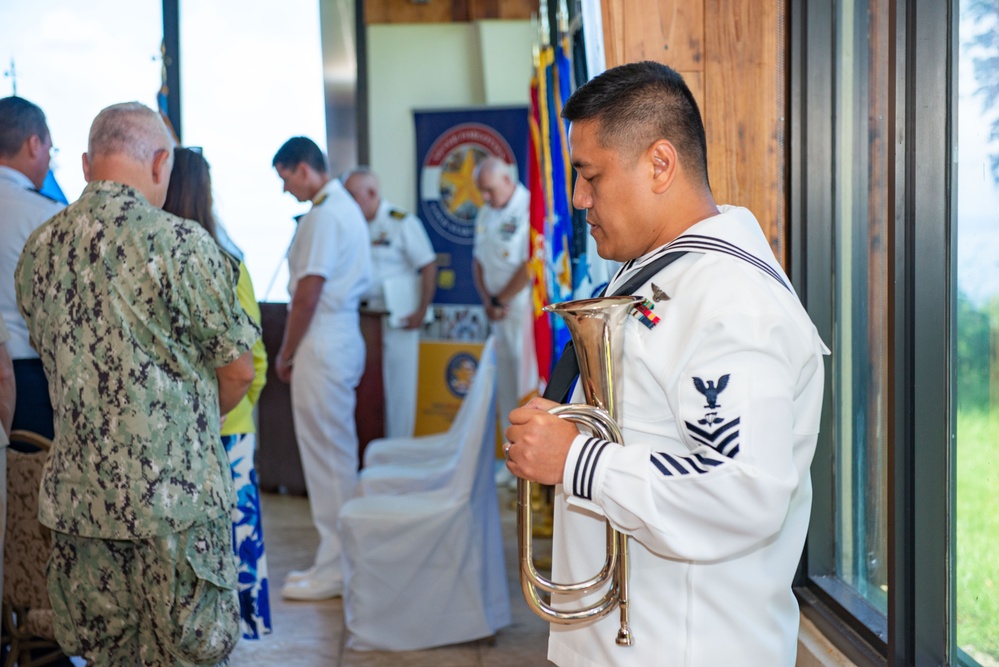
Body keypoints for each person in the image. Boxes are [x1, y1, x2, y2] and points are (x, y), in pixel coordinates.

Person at [503, 61, 829, 667]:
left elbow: (740, 493)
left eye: (590, 176)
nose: (577, 199)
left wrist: (575, 458)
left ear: (659, 163)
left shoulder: (734, 304)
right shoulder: (661, 271)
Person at [15, 102, 259, 666]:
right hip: (175, 511)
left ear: (84, 164)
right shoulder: (183, 245)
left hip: (80, 508)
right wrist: (189, 433)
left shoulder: (40, 250)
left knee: (103, 659)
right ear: (159, 161)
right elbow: (239, 370)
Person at [163, 146, 271, 640]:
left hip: (170, 431)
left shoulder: (153, 261)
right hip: (231, 425)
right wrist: (240, 407)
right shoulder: (229, 260)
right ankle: (233, 631)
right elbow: (254, 359)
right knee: (232, 537)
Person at [272, 137, 371, 601]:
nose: (285, 189)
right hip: (338, 333)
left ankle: (335, 566)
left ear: (304, 169)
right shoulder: (339, 207)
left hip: (323, 336)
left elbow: (309, 290)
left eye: (285, 178)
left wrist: (287, 351)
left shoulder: (326, 214)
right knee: (334, 454)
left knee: (327, 458)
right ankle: (340, 559)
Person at [343, 166, 437, 439]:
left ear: (371, 193)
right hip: (363, 320)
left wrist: (421, 310)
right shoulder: (351, 225)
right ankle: (374, 449)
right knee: (368, 390)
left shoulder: (401, 221)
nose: (347, 202)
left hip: (399, 320)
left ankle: (399, 448)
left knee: (399, 389)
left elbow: (428, 265)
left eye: (352, 195)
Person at [0, 96, 64, 442]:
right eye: (50, 150)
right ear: (33, 143)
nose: (49, 161)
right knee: (28, 490)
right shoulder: (45, 215)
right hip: (29, 380)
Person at [472, 156, 533, 434]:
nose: (485, 196)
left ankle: (529, 464)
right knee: (504, 386)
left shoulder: (529, 208)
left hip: (523, 312)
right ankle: (511, 458)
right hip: (497, 313)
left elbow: (531, 264)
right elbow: (478, 260)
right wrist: (488, 301)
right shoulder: (485, 212)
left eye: (489, 189)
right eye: (481, 191)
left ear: (507, 180)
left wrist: (500, 300)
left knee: (526, 385)